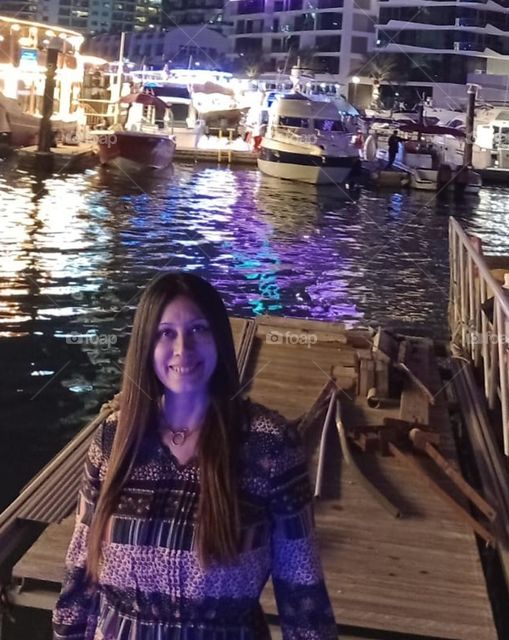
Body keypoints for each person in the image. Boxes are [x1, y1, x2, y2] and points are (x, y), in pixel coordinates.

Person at [53, 272, 336, 640]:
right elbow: (79, 572)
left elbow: (303, 590)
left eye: (198, 330)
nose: (182, 348)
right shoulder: (115, 438)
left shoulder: (269, 446)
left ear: (219, 338)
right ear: (145, 345)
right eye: (165, 333)